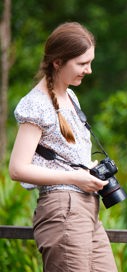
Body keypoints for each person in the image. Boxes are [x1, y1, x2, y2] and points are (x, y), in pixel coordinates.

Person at [9, 22, 118, 272]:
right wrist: (75, 178)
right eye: (82, 64)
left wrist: (88, 170)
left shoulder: (70, 96)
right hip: (63, 209)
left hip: (87, 209)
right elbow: (17, 169)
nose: (88, 70)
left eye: (90, 62)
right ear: (58, 62)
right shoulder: (36, 104)